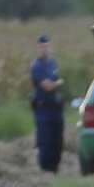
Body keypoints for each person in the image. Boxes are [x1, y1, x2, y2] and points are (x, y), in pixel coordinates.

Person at [29, 34, 65, 173]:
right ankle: (46, 170)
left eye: (47, 46)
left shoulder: (52, 63)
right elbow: (47, 86)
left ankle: (55, 168)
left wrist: (55, 83)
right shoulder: (37, 66)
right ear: (38, 48)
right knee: (45, 140)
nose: (45, 49)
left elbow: (53, 82)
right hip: (43, 107)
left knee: (57, 140)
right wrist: (58, 83)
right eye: (42, 47)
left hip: (55, 107)